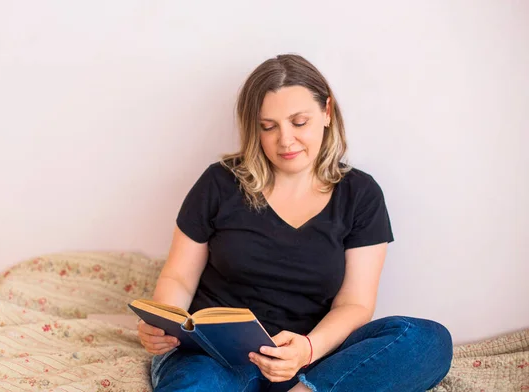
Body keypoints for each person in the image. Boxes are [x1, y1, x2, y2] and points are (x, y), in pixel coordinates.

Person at [137, 54, 453, 391]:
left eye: (299, 122)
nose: (285, 140)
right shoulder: (219, 183)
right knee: (197, 382)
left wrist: (308, 349)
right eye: (268, 126)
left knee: (427, 340)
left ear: (327, 112)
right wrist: (164, 323)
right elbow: (178, 278)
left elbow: (355, 303)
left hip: (310, 363)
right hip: (215, 359)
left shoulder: (361, 195)